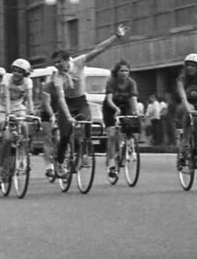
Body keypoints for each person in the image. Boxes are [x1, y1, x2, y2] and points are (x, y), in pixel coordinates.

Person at [49, 25, 128, 177]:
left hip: (80, 101)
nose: (57, 65)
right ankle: (59, 162)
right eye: (55, 63)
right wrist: (68, 117)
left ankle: (82, 154)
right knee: (65, 135)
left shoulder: (78, 63)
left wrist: (116, 36)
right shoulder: (57, 76)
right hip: (66, 103)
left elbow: (98, 50)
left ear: (67, 60)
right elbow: (60, 98)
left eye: (59, 62)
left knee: (86, 126)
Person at [103, 59, 139, 181]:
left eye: (126, 71)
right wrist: (115, 109)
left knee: (131, 125)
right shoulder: (111, 82)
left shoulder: (131, 82)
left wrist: (136, 111)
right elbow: (109, 99)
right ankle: (112, 164)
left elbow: (133, 98)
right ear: (117, 72)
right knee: (112, 135)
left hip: (125, 106)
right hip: (111, 107)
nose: (124, 73)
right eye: (122, 71)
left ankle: (129, 146)